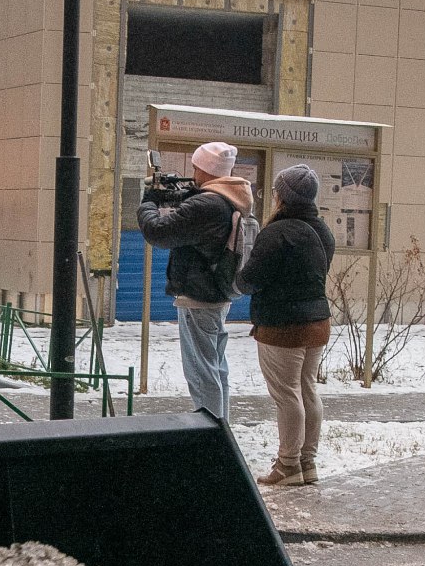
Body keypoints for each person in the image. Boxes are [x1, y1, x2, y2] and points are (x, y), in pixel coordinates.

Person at [136, 141, 252, 418]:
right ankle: (220, 428)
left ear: (203, 168)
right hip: (215, 292)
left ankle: (211, 435)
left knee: (201, 372)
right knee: (214, 366)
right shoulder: (227, 198)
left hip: (199, 295)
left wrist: (148, 201)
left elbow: (158, 231)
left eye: (196, 167)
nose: (193, 172)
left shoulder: (207, 204)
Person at [236, 162, 333, 487]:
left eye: (277, 191)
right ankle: (307, 463)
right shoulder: (323, 231)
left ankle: (289, 465)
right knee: (307, 389)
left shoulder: (278, 232)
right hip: (318, 323)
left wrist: (236, 270)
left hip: (282, 326)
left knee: (287, 394)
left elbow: (251, 281)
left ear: (283, 197)